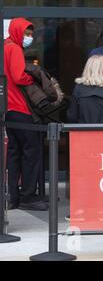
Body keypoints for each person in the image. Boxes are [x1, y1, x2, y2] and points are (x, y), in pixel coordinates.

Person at [4, 18, 48, 211]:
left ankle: (12, 196)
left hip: (8, 109)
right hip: (21, 108)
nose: (29, 38)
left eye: (30, 34)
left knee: (14, 153)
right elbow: (18, 76)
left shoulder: (5, 46)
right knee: (31, 153)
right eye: (26, 34)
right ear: (17, 32)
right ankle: (28, 196)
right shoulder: (14, 49)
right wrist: (33, 75)